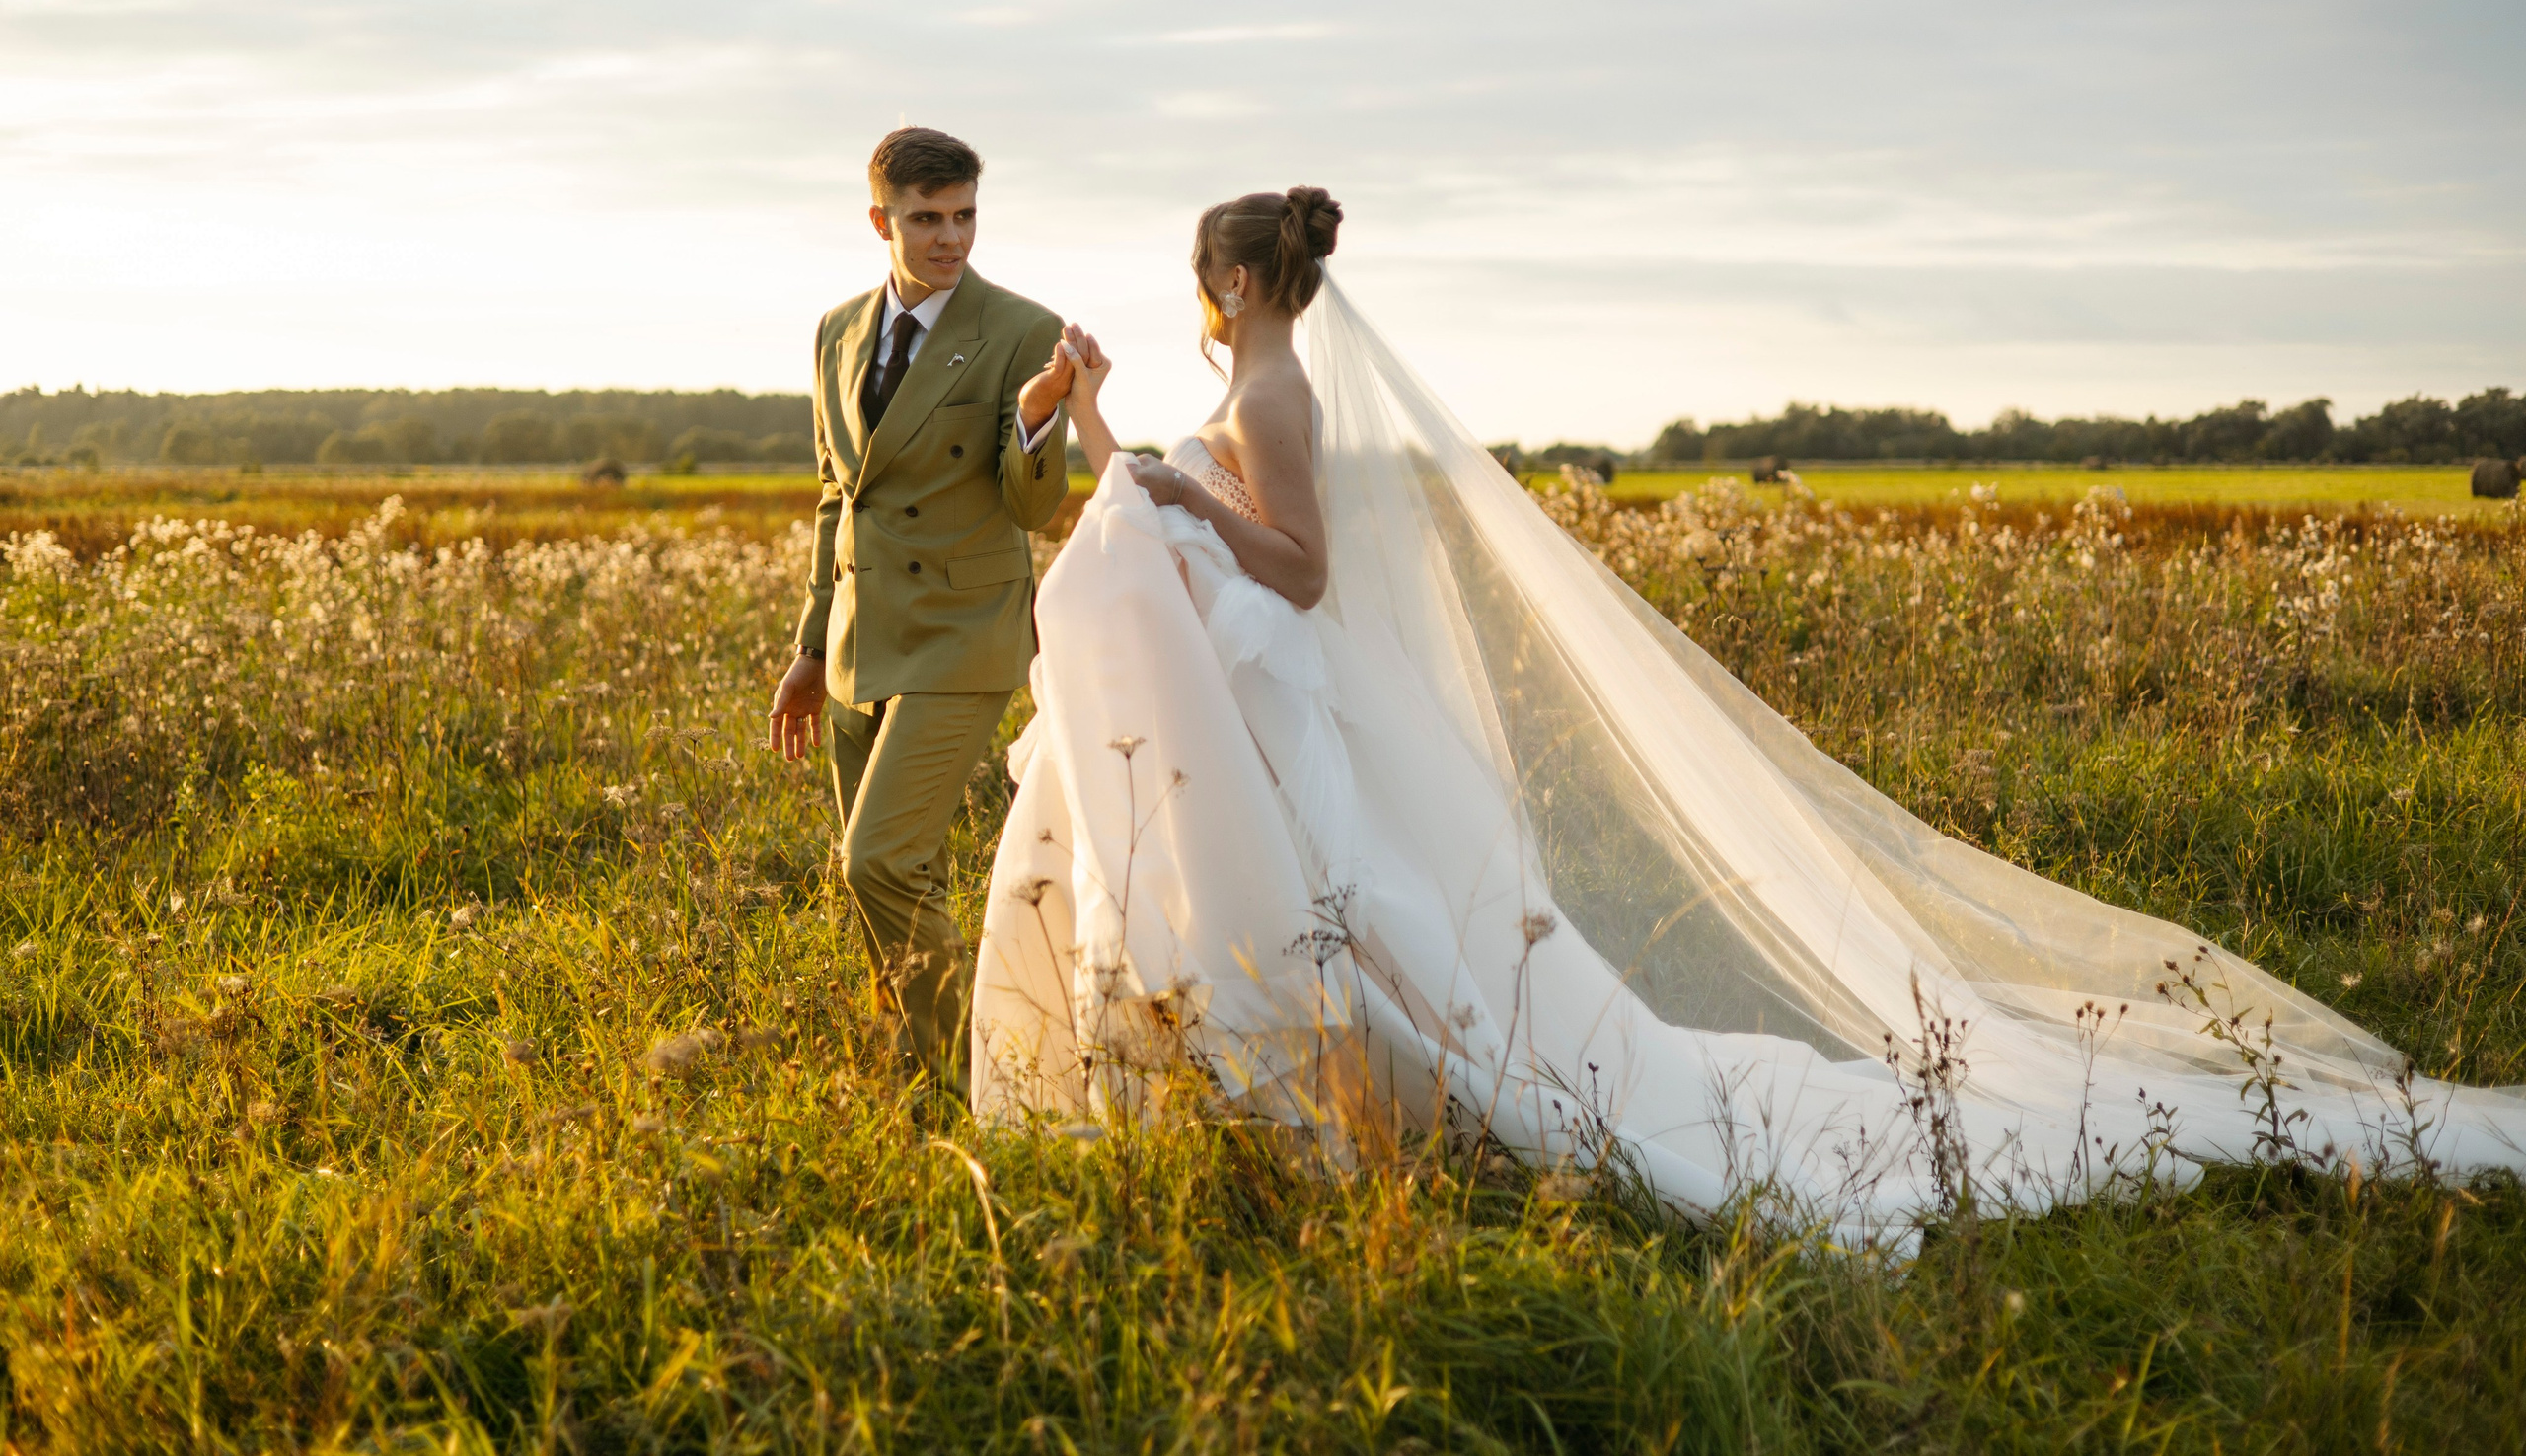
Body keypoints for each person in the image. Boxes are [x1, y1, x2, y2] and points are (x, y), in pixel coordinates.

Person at [971, 184, 2526, 1237]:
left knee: (1374, 934)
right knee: (1352, 926)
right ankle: (1332, 1115)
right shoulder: (1253, 395)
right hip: (1272, 717)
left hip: (1290, 701)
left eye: (1199, 276)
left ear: (1234, 281)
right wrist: (1109, 431)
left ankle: (1400, 1120)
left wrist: (1174, 484)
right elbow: (1188, 519)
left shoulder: (1270, 397)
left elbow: (1300, 571)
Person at [767, 126, 1103, 1093]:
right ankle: (916, 1080)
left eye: (963, 216)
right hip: (858, 638)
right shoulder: (835, 329)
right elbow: (837, 498)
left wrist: (1037, 415)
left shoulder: (1021, 329)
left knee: (876, 859)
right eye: (926, 219)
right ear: (882, 220)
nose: (950, 237)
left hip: (964, 632)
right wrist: (808, 649)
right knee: (892, 876)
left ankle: (975, 1080)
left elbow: (1031, 507)